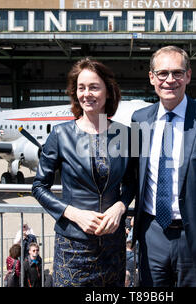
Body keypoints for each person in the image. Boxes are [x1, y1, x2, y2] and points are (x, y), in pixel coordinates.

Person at [131, 46, 196, 287]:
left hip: (194, 239)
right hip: (151, 234)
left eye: (177, 73)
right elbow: (133, 175)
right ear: (151, 78)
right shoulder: (140, 119)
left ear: (188, 76)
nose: (170, 80)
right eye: (162, 73)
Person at [32, 58, 136, 287]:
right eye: (81, 88)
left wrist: (120, 206)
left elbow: (133, 182)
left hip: (112, 246)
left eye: (94, 87)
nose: (86, 94)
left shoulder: (128, 134)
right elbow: (39, 186)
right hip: (73, 247)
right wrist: (73, 213)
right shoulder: (60, 134)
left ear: (108, 92)